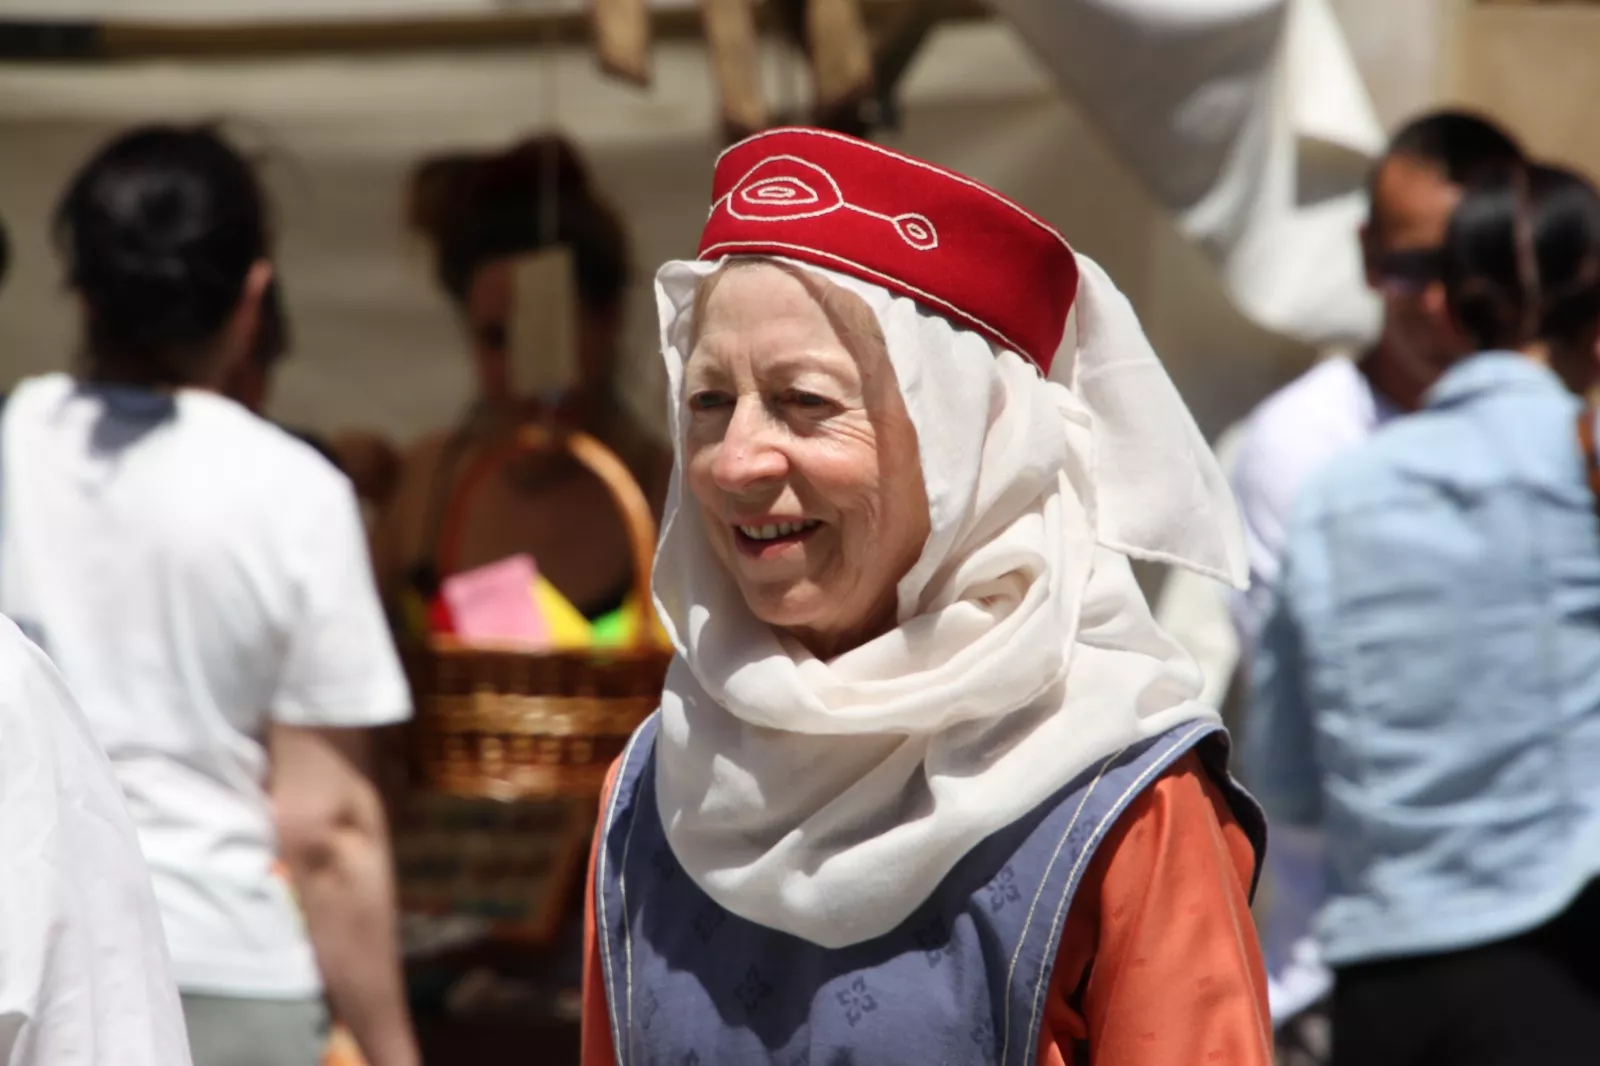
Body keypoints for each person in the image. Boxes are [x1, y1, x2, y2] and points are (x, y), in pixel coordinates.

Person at [578, 128, 1270, 1064]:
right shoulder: (652, 788)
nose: (736, 460)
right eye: (707, 402)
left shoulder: (1122, 795)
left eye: (805, 401)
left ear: (967, 448)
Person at [0, 124, 418, 1066]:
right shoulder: (294, 489)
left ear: (84, 291)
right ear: (252, 296)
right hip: (232, 974)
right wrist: (394, 1050)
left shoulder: (12, 437)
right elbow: (328, 829)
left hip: (34, 956)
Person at [1248, 162, 1600, 1065]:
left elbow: (1280, 778)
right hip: (1563, 958)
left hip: (1380, 992)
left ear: (1452, 302)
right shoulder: (1577, 466)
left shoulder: (1331, 493)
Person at [1224, 109, 1524, 1040]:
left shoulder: (1562, 437)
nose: (1437, 304)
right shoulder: (1296, 448)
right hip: (1348, 974)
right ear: (1364, 256)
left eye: (1466, 273)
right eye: (1410, 269)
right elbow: (1314, 746)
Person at [375, 134, 670, 621]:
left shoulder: (666, 495)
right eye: (495, 338)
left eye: (550, 332)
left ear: (607, 321)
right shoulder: (424, 485)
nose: (524, 373)